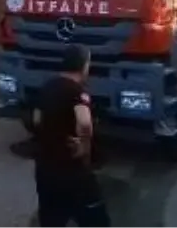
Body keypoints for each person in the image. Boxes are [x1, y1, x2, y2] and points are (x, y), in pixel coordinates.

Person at [32, 44, 110, 228]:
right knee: (96, 219)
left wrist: (52, 136)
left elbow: (36, 119)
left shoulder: (47, 86)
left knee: (51, 219)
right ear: (84, 66)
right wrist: (84, 145)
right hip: (71, 171)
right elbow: (84, 122)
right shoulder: (77, 91)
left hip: (45, 169)